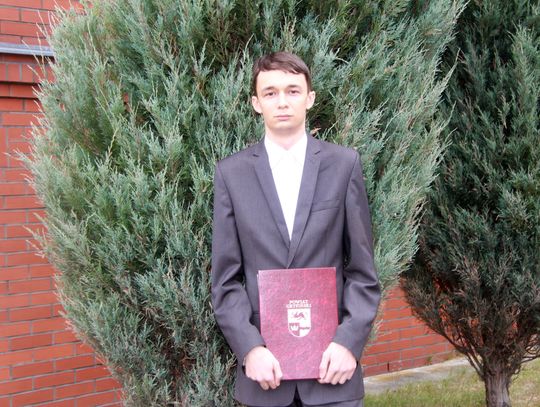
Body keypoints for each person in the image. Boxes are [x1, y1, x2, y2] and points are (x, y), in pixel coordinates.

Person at [211, 51, 380, 407]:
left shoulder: (343, 164)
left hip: (333, 371)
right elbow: (225, 281)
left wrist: (348, 343)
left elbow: (363, 272)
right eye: (270, 93)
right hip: (265, 375)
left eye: (292, 90)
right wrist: (250, 349)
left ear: (310, 98)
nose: (282, 101)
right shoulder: (231, 174)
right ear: (256, 103)